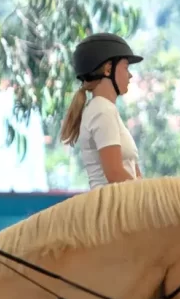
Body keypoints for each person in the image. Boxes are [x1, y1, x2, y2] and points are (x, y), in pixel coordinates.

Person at [59, 32, 143, 189]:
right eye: (126, 67)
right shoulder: (101, 110)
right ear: (108, 69)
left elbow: (132, 172)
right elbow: (115, 174)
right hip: (114, 209)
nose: (130, 75)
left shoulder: (106, 109)